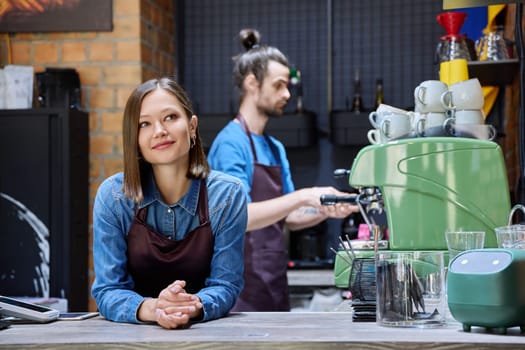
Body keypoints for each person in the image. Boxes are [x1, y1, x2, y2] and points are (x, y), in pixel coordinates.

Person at [207, 29, 359, 312]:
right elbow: (239, 217)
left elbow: (289, 216)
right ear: (252, 83)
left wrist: (326, 209)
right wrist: (305, 195)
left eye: (288, 85)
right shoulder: (231, 144)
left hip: (273, 284)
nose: (287, 94)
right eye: (278, 85)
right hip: (238, 289)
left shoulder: (274, 147)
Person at [91, 77, 248, 329]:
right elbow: (108, 289)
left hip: (206, 336)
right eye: (144, 123)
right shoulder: (113, 196)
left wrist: (190, 306)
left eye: (170, 117)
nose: (159, 131)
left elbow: (225, 285)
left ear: (192, 126)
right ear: (135, 139)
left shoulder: (227, 195)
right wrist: (155, 309)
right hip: (129, 339)